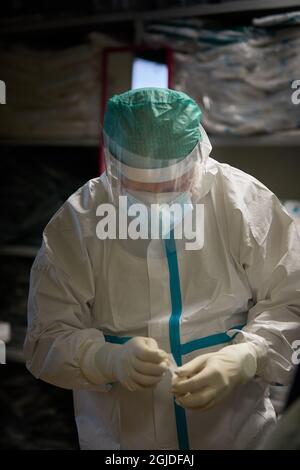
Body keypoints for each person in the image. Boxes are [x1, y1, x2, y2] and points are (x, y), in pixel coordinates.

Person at [25, 87, 300, 450]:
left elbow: (292, 298)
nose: (156, 204)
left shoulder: (243, 203)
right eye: (139, 190)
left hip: (236, 435)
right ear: (113, 168)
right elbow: (45, 337)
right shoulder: (80, 221)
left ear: (197, 158)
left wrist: (247, 356)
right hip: (123, 443)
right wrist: (104, 359)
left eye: (171, 186)